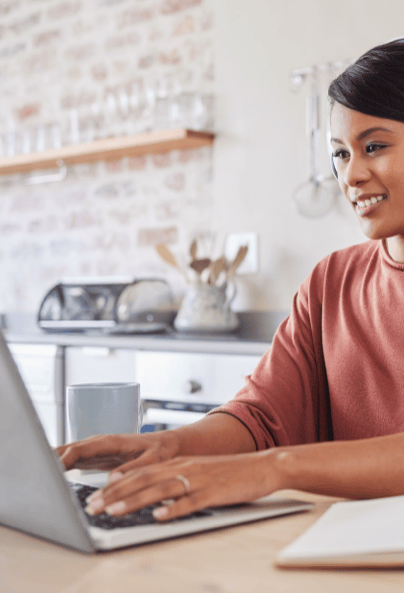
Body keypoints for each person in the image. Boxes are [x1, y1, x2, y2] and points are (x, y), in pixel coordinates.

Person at [57, 38, 404, 522]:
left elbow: (273, 454)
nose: (352, 175)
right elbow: (261, 416)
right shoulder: (331, 282)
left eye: (374, 146)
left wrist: (276, 469)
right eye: (341, 155)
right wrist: (168, 446)